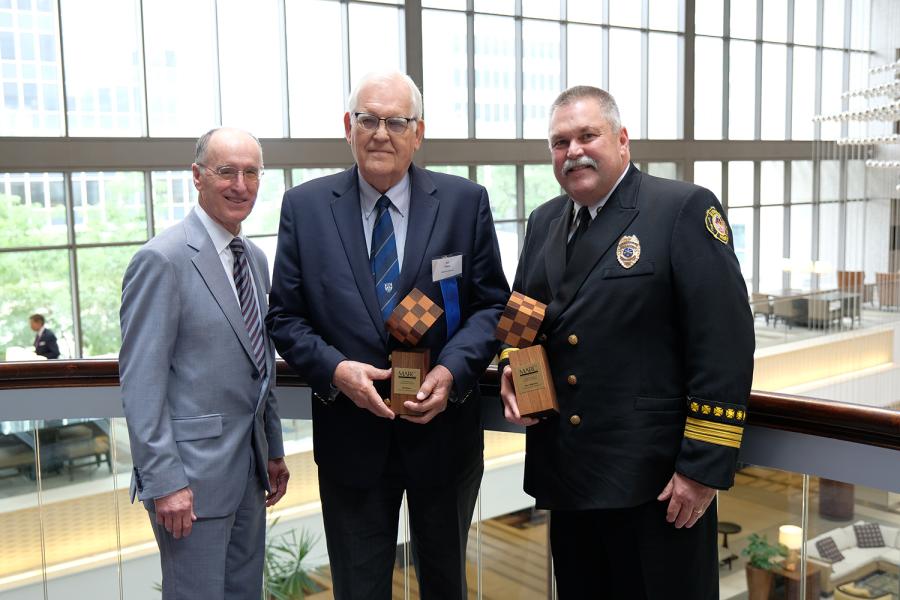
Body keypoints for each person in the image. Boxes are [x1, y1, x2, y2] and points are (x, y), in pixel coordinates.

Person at [499, 86, 755, 599]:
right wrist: (511, 365)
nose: (573, 151)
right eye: (559, 142)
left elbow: (725, 345)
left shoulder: (682, 209)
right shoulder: (545, 219)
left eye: (587, 136)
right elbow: (522, 312)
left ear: (621, 140)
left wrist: (701, 469)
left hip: (656, 486)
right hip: (567, 475)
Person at [266, 71, 509, 599]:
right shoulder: (305, 208)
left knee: (446, 585)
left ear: (417, 133)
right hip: (351, 440)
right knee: (358, 589)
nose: (381, 132)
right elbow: (284, 317)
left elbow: (492, 305)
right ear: (347, 127)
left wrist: (451, 371)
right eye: (368, 120)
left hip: (444, 437)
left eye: (396, 121)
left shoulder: (465, 201)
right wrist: (335, 370)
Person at [119, 127, 289, 599]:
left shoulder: (253, 258)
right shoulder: (162, 260)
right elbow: (141, 384)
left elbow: (260, 363)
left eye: (251, 172)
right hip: (189, 485)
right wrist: (165, 482)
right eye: (226, 172)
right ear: (197, 177)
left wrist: (272, 449)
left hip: (250, 473)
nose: (241, 185)